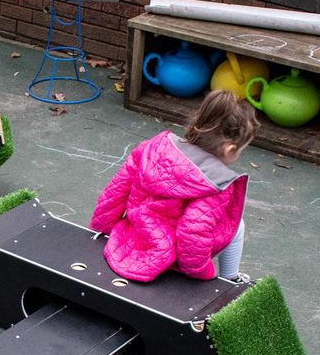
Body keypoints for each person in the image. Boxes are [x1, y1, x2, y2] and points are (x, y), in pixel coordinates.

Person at [89, 90, 259, 283]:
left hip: (131, 235)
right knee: (237, 225)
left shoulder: (151, 148)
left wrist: (101, 231)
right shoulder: (218, 183)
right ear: (230, 149)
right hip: (174, 258)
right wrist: (201, 272)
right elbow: (193, 232)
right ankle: (230, 280)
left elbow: (116, 192)